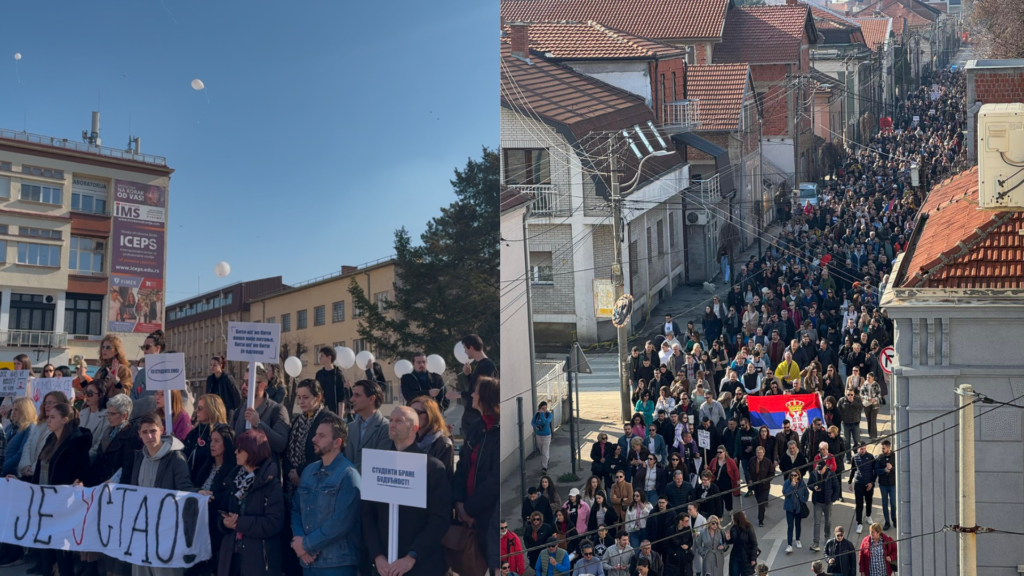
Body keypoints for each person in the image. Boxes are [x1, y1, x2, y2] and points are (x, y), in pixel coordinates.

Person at [364, 406, 451, 576]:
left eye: (399, 420)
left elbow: (440, 519)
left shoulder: (431, 467)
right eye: (391, 420)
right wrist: (378, 556)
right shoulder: (377, 463)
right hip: (383, 567)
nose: (392, 424)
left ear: (414, 428)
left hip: (420, 565)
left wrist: (412, 556)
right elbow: (367, 514)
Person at [120, 412, 194, 576]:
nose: (149, 436)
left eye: (153, 431)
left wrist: (198, 495)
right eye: (145, 432)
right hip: (141, 530)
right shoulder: (139, 457)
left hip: (166, 532)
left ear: (162, 430)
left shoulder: (175, 458)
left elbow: (185, 487)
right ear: (139, 434)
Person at [290, 413, 361, 574]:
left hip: (336, 564)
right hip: (307, 562)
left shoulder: (348, 475)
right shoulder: (308, 471)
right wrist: (299, 541)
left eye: (321, 436)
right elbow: (295, 508)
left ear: (337, 442)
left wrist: (306, 545)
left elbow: (341, 522)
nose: (314, 439)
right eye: (315, 434)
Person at [28, 402, 92, 576]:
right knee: (45, 550)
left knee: (62, 552)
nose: (48, 420)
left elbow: (84, 473)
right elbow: (41, 470)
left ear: (64, 420)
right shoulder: (51, 439)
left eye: (52, 417)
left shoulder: (77, 442)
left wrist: (78, 484)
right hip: (44, 502)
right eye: (48, 417)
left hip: (62, 505)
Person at [217, 429, 285, 576]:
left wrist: (238, 523)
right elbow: (221, 511)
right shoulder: (234, 479)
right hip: (231, 557)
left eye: (240, 449)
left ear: (252, 451)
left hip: (258, 561)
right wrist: (224, 523)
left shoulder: (271, 484)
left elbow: (273, 523)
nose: (235, 452)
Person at [230, 366, 291, 460]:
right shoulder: (239, 412)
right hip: (241, 471)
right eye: (243, 382)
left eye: (248, 383)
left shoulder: (277, 410)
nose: (243, 386)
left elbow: (281, 444)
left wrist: (259, 424)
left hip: (266, 471)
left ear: (262, 386)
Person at [452, 334, 496, 436]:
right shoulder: (481, 364)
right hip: (472, 412)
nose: (464, 352)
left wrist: (460, 394)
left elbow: (484, 392)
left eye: (465, 348)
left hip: (477, 414)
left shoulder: (487, 365)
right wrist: (468, 375)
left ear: (471, 348)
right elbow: (476, 386)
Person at [342, 380, 390, 473]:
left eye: (357, 395)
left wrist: (348, 474)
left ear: (371, 399)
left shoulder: (386, 428)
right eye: (353, 395)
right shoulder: (349, 427)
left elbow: (379, 463)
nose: (352, 399)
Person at [184, 394, 228, 484]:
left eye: (200, 408)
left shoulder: (220, 434)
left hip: (205, 483)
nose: (196, 410)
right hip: (188, 482)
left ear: (210, 411)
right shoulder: (194, 432)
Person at [409, 396, 454, 478]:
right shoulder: (410, 439)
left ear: (430, 415)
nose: (412, 416)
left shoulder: (443, 444)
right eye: (410, 412)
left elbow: (442, 478)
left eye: (417, 412)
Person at [809, 460, 841, 552]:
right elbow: (809, 484)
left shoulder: (831, 474)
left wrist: (833, 499)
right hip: (817, 502)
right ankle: (816, 542)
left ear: (825, 467)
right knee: (817, 523)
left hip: (827, 502)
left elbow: (837, 487)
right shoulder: (814, 474)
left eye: (821, 469)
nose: (819, 471)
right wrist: (814, 487)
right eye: (818, 469)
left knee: (828, 521)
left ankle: (827, 537)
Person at [848, 443, 877, 534]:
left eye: (864, 449)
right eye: (861, 449)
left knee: (869, 501)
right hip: (858, 483)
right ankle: (859, 523)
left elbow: (875, 471)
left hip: (869, 483)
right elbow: (852, 470)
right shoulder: (855, 457)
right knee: (859, 504)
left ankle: (868, 516)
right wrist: (850, 481)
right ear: (858, 449)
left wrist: (872, 482)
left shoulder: (871, 457)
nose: (863, 450)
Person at [79, 381, 110, 462]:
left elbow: (100, 443)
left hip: (91, 461)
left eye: (90, 393)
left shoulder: (107, 415)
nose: (86, 396)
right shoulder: (82, 413)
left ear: (100, 395)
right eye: (86, 392)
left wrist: (84, 459)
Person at [315, 346, 350, 417]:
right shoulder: (319, 374)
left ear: (329, 358)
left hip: (334, 413)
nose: (320, 358)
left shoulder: (338, 374)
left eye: (322, 356)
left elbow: (341, 398)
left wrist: (340, 418)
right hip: (320, 412)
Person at [131, 329, 165, 401]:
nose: (145, 351)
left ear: (157, 348)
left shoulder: (166, 371)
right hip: (139, 411)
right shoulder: (141, 373)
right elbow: (133, 393)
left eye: (147, 347)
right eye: (143, 347)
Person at [782, 469, 809, 553]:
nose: (793, 477)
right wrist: (791, 486)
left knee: (798, 525)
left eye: (795, 475)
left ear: (798, 476)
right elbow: (785, 493)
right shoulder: (787, 483)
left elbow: (806, 493)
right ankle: (789, 544)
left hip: (798, 508)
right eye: (792, 475)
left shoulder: (801, 483)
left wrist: (803, 501)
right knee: (790, 526)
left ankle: (797, 539)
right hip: (789, 508)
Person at [724, 511, 758, 576]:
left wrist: (753, 559)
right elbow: (732, 541)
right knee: (734, 573)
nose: (732, 520)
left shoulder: (749, 528)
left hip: (746, 557)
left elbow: (754, 544)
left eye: (733, 519)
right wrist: (728, 539)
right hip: (735, 556)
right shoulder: (733, 528)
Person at [708, 445, 740, 513]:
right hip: (717, 483)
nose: (719, 453)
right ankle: (720, 513)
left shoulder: (730, 461)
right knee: (718, 499)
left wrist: (737, 480)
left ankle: (730, 510)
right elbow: (709, 470)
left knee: (728, 498)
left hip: (727, 484)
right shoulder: (714, 460)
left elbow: (735, 470)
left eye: (720, 452)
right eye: (718, 452)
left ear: (724, 452)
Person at [749, 446, 774, 527]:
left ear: (764, 453)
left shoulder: (768, 462)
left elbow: (772, 473)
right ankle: (762, 511)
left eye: (761, 453)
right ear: (756, 453)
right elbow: (747, 470)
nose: (759, 454)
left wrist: (765, 480)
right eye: (758, 453)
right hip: (756, 486)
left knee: (761, 502)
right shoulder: (752, 460)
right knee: (758, 500)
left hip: (764, 486)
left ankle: (760, 520)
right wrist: (749, 479)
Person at [874, 440, 896, 531]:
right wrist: (884, 470)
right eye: (881, 448)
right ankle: (887, 522)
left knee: (893, 504)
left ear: (888, 447)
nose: (882, 450)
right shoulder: (880, 457)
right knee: (884, 504)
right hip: (883, 484)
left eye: (884, 448)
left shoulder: (894, 456)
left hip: (892, 484)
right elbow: (876, 470)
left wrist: (892, 468)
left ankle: (894, 519)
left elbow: (899, 469)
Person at [532, 400, 553, 472]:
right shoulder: (537, 415)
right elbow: (532, 422)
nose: (544, 410)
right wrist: (536, 427)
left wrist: (542, 414)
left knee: (545, 451)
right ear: (540, 408)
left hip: (547, 435)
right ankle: (547, 459)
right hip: (539, 435)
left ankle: (544, 467)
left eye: (545, 408)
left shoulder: (549, 415)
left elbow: (546, 422)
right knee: (541, 450)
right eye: (542, 408)